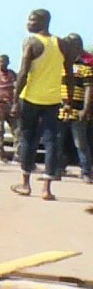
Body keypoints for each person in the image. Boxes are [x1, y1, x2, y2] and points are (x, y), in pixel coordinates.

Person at [11, 10, 68, 201]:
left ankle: (26, 184)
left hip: (30, 99)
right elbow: (68, 74)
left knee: (27, 139)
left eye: (32, 19)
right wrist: (66, 100)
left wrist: (14, 100)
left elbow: (23, 73)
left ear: (43, 21)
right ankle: (46, 189)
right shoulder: (61, 43)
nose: (28, 23)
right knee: (52, 141)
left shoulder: (31, 42)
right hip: (53, 100)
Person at [60, 34, 92, 183]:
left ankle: (86, 171)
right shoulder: (60, 65)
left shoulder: (84, 66)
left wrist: (85, 109)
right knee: (59, 141)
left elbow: (88, 89)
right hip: (61, 110)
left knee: (80, 143)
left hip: (78, 109)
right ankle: (57, 169)